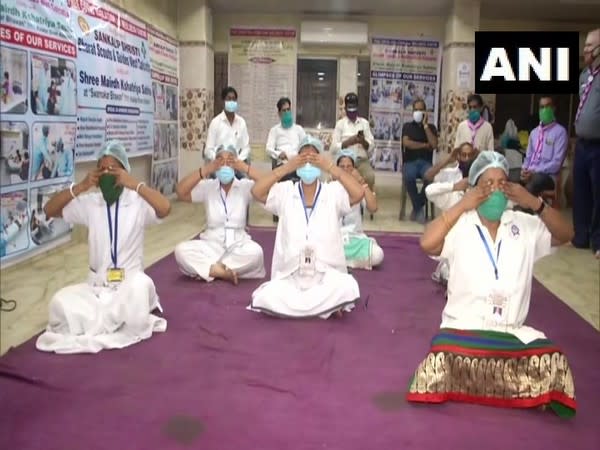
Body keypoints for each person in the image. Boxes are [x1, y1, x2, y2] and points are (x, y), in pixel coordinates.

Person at [408, 151, 576, 418]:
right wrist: (463, 204)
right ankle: (515, 389)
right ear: (475, 187)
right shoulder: (460, 223)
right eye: (487, 183)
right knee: (441, 356)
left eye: (501, 183)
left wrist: (534, 202)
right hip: (463, 330)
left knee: (553, 361)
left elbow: (567, 234)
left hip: (511, 333)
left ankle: (478, 386)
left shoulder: (524, 224)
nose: (495, 190)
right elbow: (427, 242)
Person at [35, 141, 171, 354]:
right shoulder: (91, 202)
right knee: (58, 302)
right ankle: (110, 322)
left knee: (140, 288)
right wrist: (80, 186)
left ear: (124, 171)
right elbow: (49, 210)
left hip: (128, 286)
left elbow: (165, 208)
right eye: (103, 169)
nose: (107, 173)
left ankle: (98, 323)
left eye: (113, 169)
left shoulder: (137, 201)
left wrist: (135, 184)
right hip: (97, 288)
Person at [249, 136, 364, 319]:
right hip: (292, 275)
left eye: (314, 158)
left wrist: (331, 167)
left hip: (326, 274)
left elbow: (358, 194)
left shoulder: (333, 191)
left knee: (348, 286)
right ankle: (324, 308)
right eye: (303, 158)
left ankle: (304, 308)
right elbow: (256, 192)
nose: (308, 163)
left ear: (321, 164)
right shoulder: (285, 191)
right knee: (264, 296)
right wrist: (287, 167)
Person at [174, 145, 265, 284]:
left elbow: (269, 185)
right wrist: (206, 169)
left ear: (236, 164)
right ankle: (222, 271)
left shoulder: (245, 186)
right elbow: (180, 191)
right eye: (220, 160)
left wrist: (245, 168)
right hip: (211, 244)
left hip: (239, 244)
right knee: (181, 250)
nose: (225, 165)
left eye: (230, 161)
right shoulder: (208, 187)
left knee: (257, 253)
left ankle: (210, 269)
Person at [424, 142, 479, 284]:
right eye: (463, 155)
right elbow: (428, 177)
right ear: (459, 156)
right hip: (453, 234)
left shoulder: (480, 177)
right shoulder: (451, 174)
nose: (466, 158)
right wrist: (449, 161)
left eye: (470, 155)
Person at [572, 28, 600, 258]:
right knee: (580, 192)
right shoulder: (584, 75)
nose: (585, 50)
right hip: (582, 144)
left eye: (590, 46)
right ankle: (580, 236)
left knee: (598, 193)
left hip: (599, 145)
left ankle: (598, 241)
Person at [336, 149, 384, 270]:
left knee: (378, 255)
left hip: (355, 239)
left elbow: (373, 208)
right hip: (334, 239)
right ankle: (349, 261)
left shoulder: (359, 188)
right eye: (342, 167)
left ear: (354, 169)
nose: (346, 170)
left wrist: (361, 182)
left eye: (349, 167)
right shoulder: (329, 187)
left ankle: (341, 261)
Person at [521, 95, 568, 198]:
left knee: (533, 183)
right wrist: (524, 170)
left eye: (547, 106)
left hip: (548, 176)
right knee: (508, 175)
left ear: (553, 108)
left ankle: (524, 211)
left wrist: (534, 172)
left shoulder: (560, 132)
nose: (544, 110)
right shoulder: (534, 133)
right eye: (541, 107)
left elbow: (556, 163)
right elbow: (528, 157)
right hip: (531, 172)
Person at [401, 99, 439, 223]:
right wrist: (423, 145)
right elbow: (406, 143)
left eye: (421, 109)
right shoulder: (407, 126)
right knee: (408, 177)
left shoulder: (431, 127)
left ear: (425, 112)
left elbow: (433, 144)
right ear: (412, 111)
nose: (418, 112)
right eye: (416, 109)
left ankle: (417, 208)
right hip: (410, 162)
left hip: (425, 163)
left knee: (430, 177)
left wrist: (426, 125)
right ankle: (419, 209)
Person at [331, 92, 376, 190]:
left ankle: (365, 202)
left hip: (361, 160)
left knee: (370, 177)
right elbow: (333, 148)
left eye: (354, 108)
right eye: (349, 108)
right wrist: (348, 142)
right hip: (344, 160)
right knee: (335, 179)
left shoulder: (364, 123)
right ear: (345, 108)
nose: (352, 111)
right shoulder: (340, 124)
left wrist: (363, 141)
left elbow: (371, 146)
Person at [204, 86, 250, 166]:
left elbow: (246, 148)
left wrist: (238, 160)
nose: (231, 101)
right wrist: (219, 159)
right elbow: (208, 149)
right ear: (223, 101)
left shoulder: (241, 122)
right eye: (228, 99)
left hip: (237, 165)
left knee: (246, 178)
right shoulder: (215, 122)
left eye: (234, 99)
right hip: (219, 165)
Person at [266, 96, 306, 179]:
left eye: (288, 109)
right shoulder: (274, 130)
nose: (287, 112)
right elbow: (268, 149)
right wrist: (278, 154)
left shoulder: (299, 129)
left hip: (297, 164)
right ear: (279, 113)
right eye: (284, 110)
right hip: (283, 165)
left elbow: (306, 147)